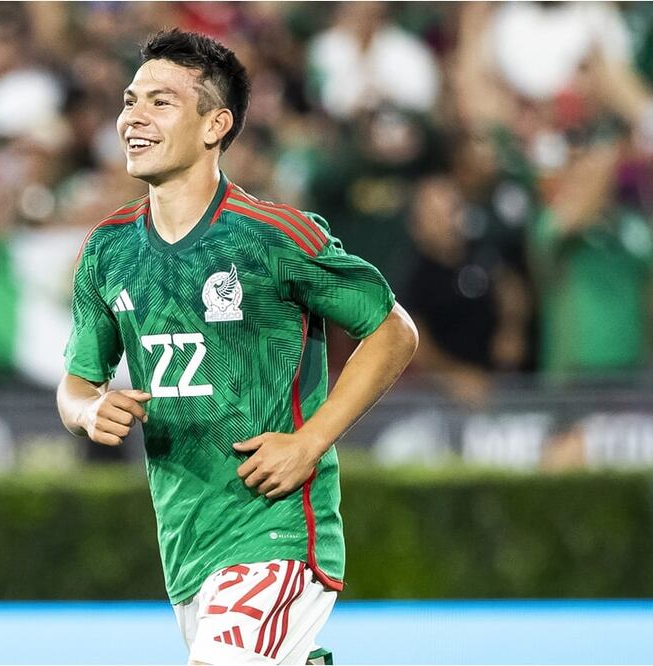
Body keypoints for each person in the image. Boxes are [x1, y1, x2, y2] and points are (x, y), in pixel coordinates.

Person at [56, 29, 417, 665]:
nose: (133, 117)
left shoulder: (272, 237)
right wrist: (88, 411)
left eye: (160, 103)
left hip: (273, 528)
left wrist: (309, 442)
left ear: (214, 125)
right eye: (129, 99)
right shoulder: (107, 251)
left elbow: (392, 331)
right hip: (187, 537)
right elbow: (77, 383)